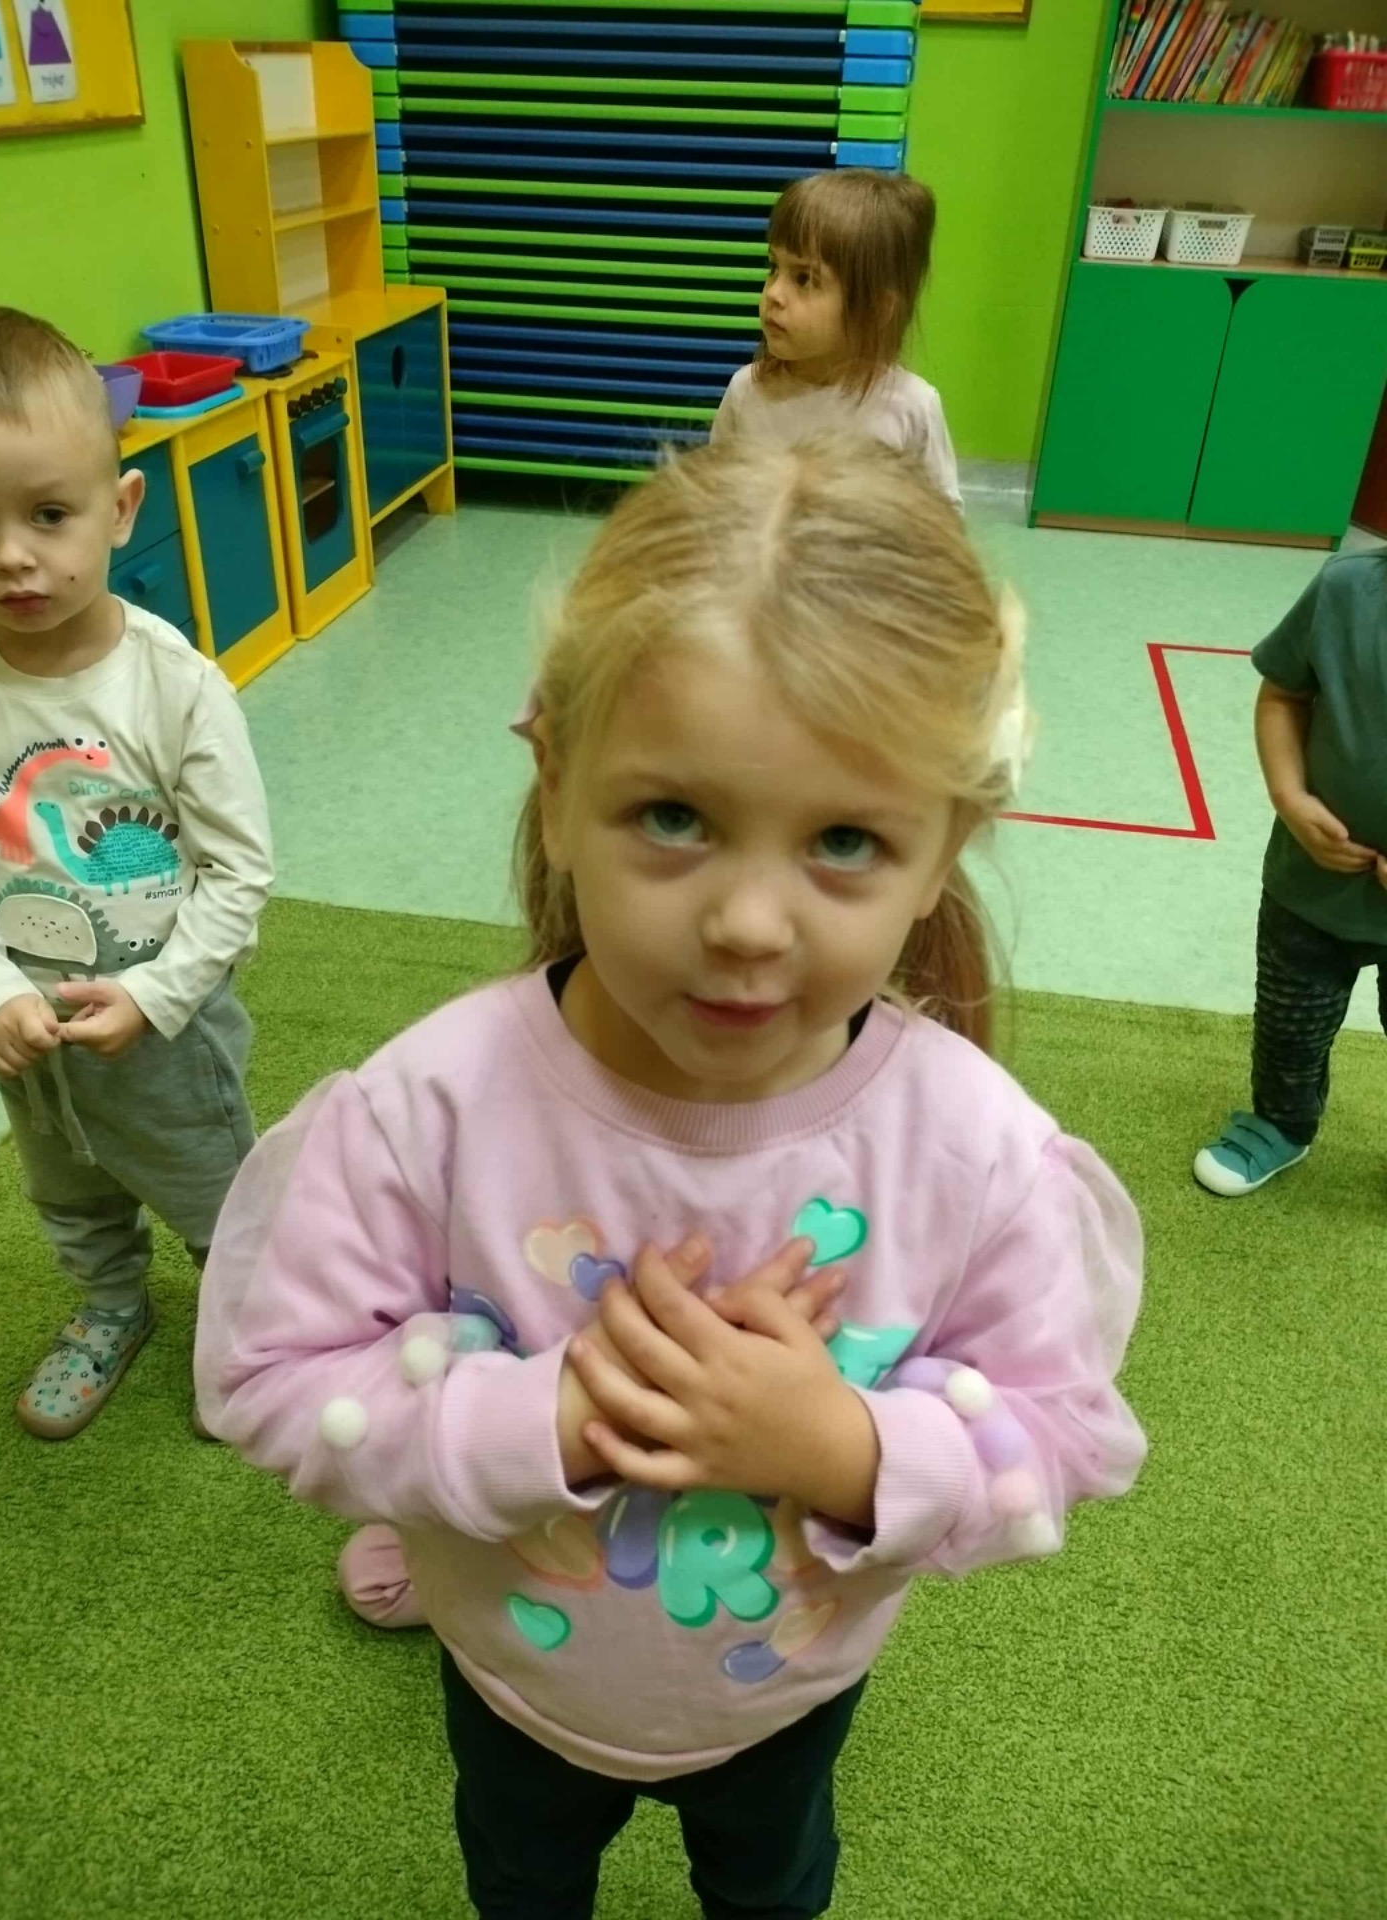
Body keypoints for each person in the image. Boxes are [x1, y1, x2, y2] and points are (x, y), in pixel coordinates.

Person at [195, 437, 1143, 1920]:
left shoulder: (975, 1151)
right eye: (675, 819)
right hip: (512, 1682)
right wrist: (547, 1418)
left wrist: (840, 1447)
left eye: (845, 840)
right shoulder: (429, 1106)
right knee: (522, 1878)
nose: (749, 922)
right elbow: (272, 1377)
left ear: (944, 846)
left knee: (770, 1883)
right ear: (557, 786)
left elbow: (1064, 1435)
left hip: (786, 1697)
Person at [0, 305, 273, 1437]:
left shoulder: (175, 686)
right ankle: (111, 1306)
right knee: (68, 1188)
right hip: (30, 1032)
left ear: (120, 507)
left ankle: (252, 1329)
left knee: (218, 1195)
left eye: (48, 514)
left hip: (166, 1032)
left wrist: (156, 995)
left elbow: (239, 872)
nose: (11, 555)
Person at [1195, 551, 1387, 1197]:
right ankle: (1282, 1123)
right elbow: (1283, 695)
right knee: (1289, 1027)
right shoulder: (1345, 588)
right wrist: (1290, 797)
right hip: (1312, 886)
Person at [710, 169, 961, 509]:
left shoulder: (911, 408)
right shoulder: (746, 393)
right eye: (773, 268)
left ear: (875, 308)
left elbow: (942, 521)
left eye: (804, 279)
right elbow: (716, 501)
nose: (774, 293)